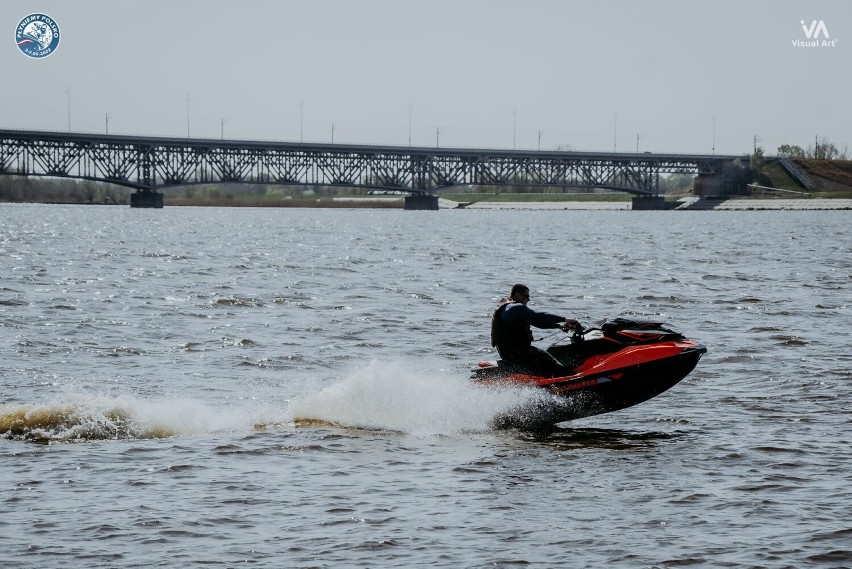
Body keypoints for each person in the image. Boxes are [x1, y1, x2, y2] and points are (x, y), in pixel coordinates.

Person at [490, 283, 583, 377]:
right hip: (518, 352)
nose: (528, 299)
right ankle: (569, 378)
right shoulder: (514, 308)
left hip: (510, 352)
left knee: (543, 361)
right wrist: (565, 319)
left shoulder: (508, 307)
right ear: (517, 295)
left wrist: (559, 326)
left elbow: (537, 322)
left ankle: (549, 379)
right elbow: (539, 315)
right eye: (526, 296)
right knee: (550, 361)